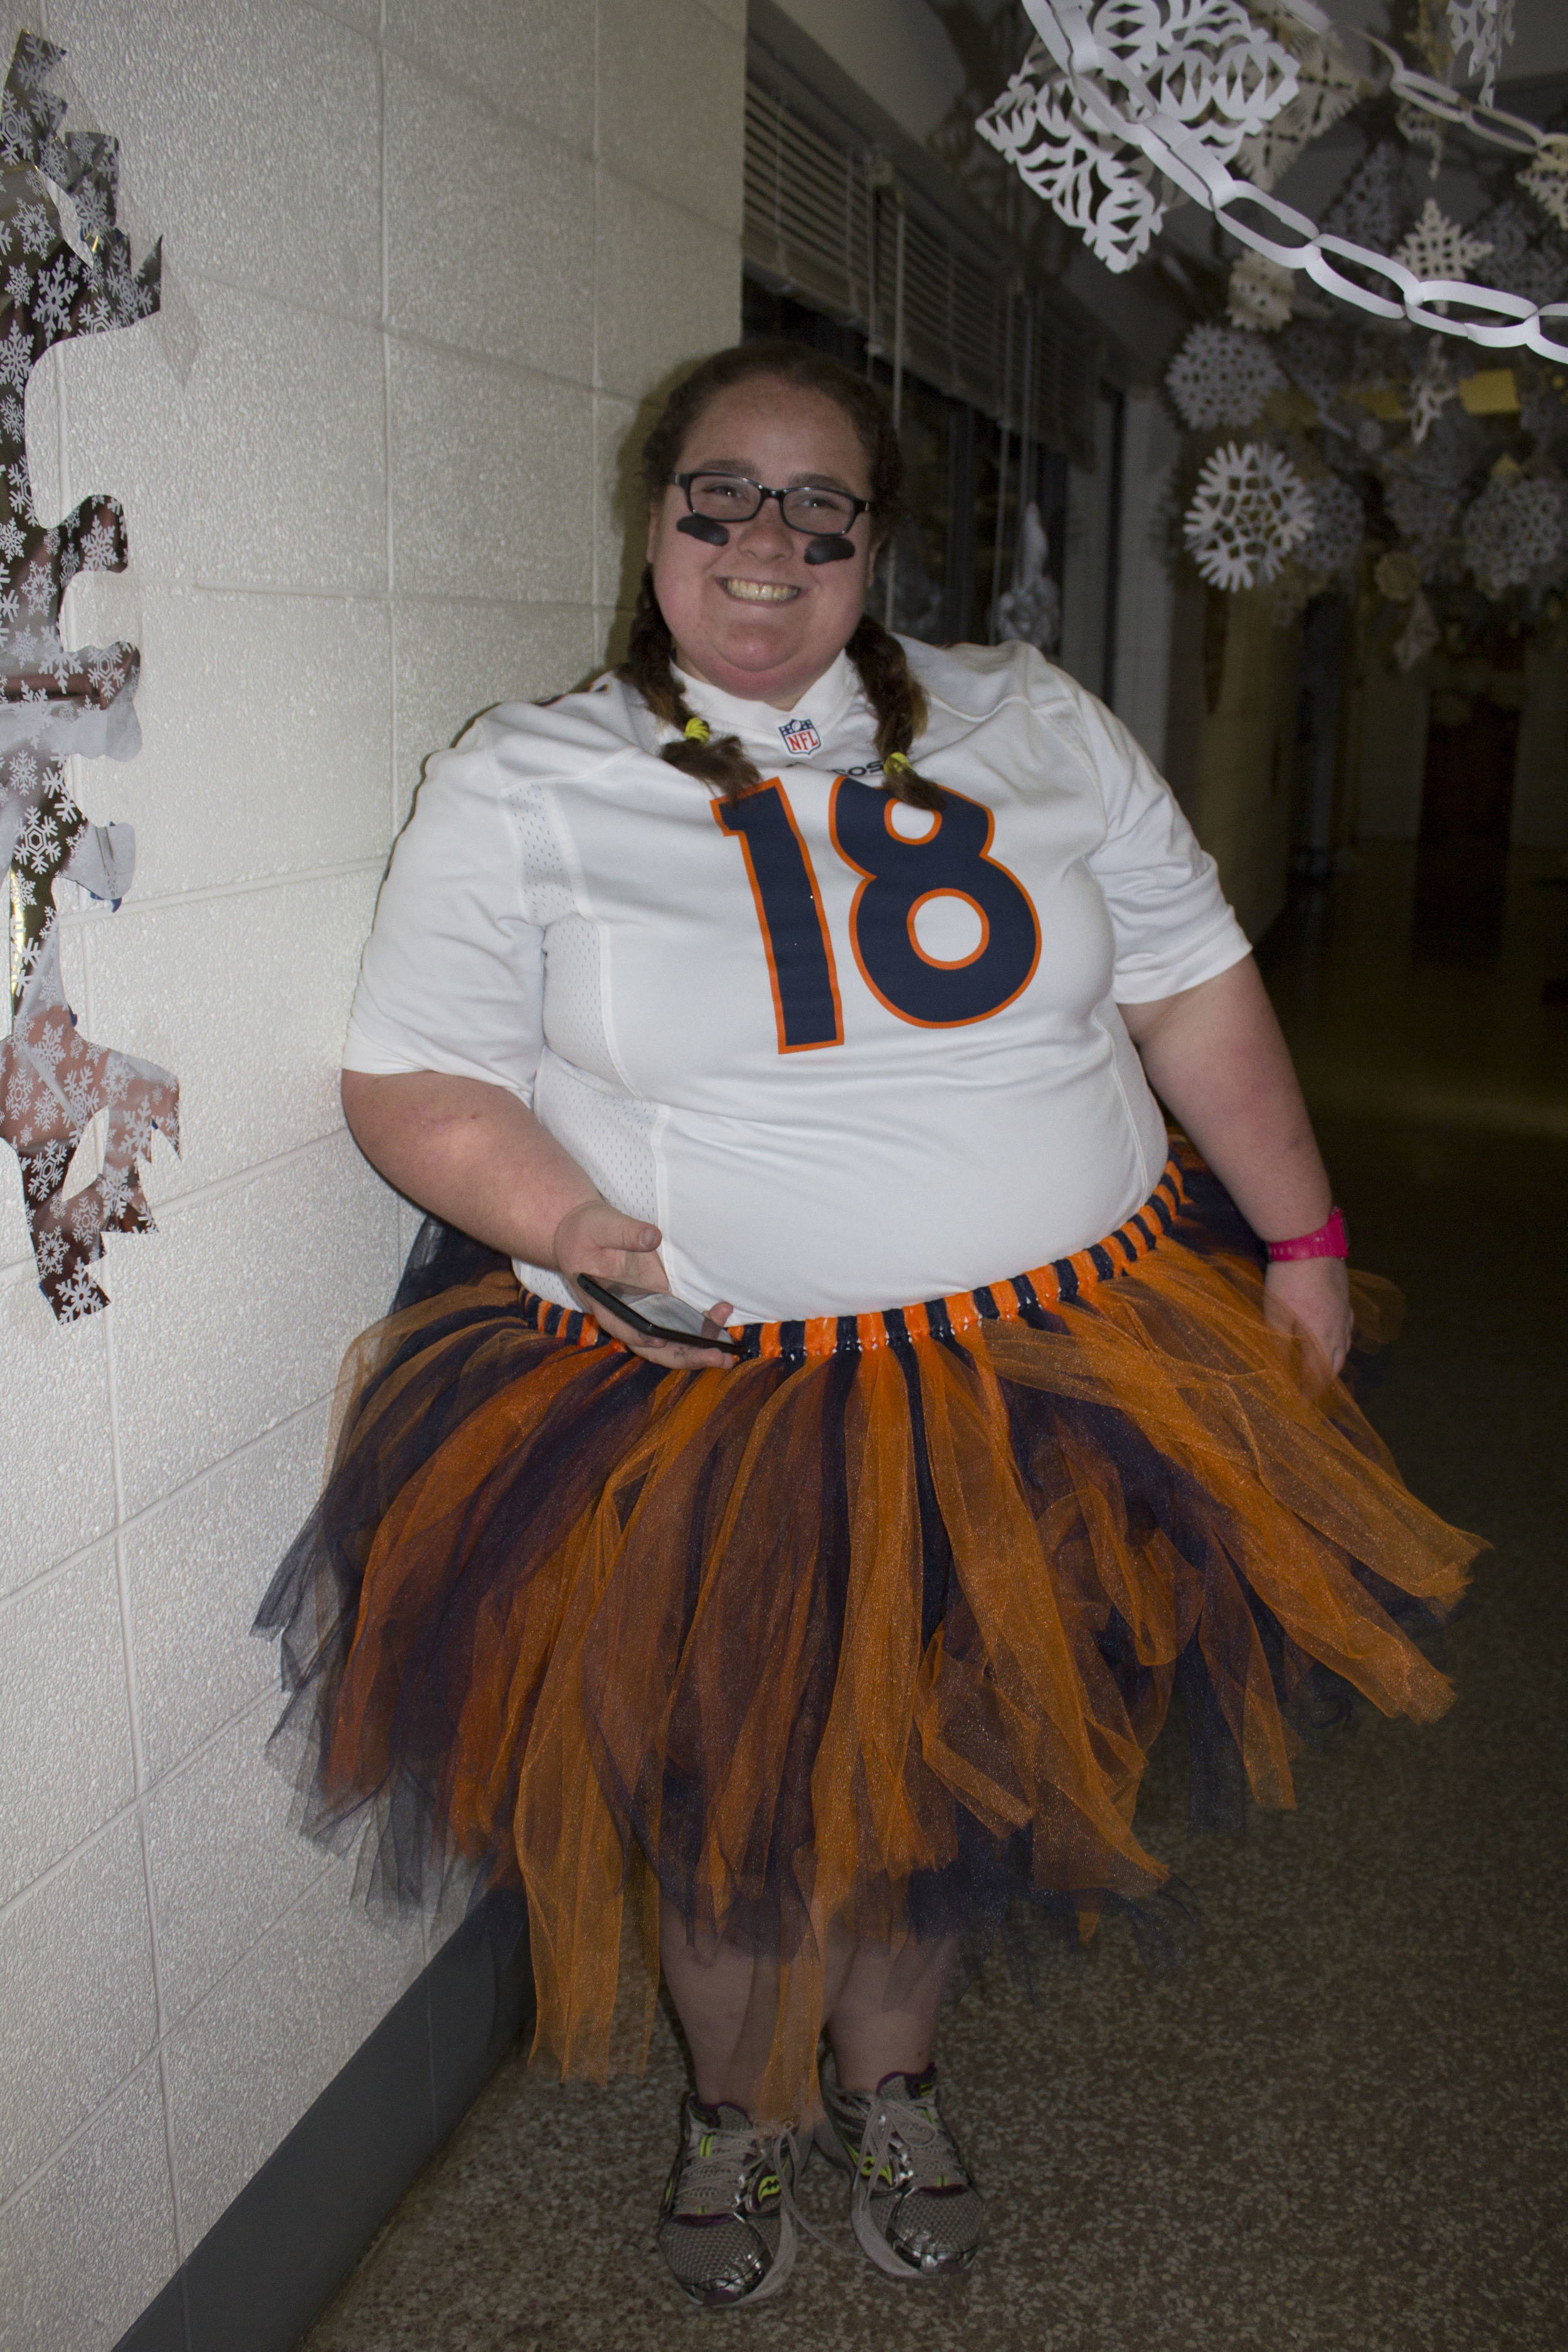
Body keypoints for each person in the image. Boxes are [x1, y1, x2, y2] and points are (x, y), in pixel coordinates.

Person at [258, 341, 1477, 2311]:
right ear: (651, 521)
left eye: (819, 509)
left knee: (950, 1771)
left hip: (1059, 1377)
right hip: (708, 1404)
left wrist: (1304, 1234)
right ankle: (732, 2123)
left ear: (878, 544)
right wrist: (577, 1224)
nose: (766, 545)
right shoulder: (532, 776)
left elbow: (1186, 990)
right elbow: (412, 1079)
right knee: (732, 1799)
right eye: (717, 500)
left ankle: (890, 2080)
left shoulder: (1032, 720)